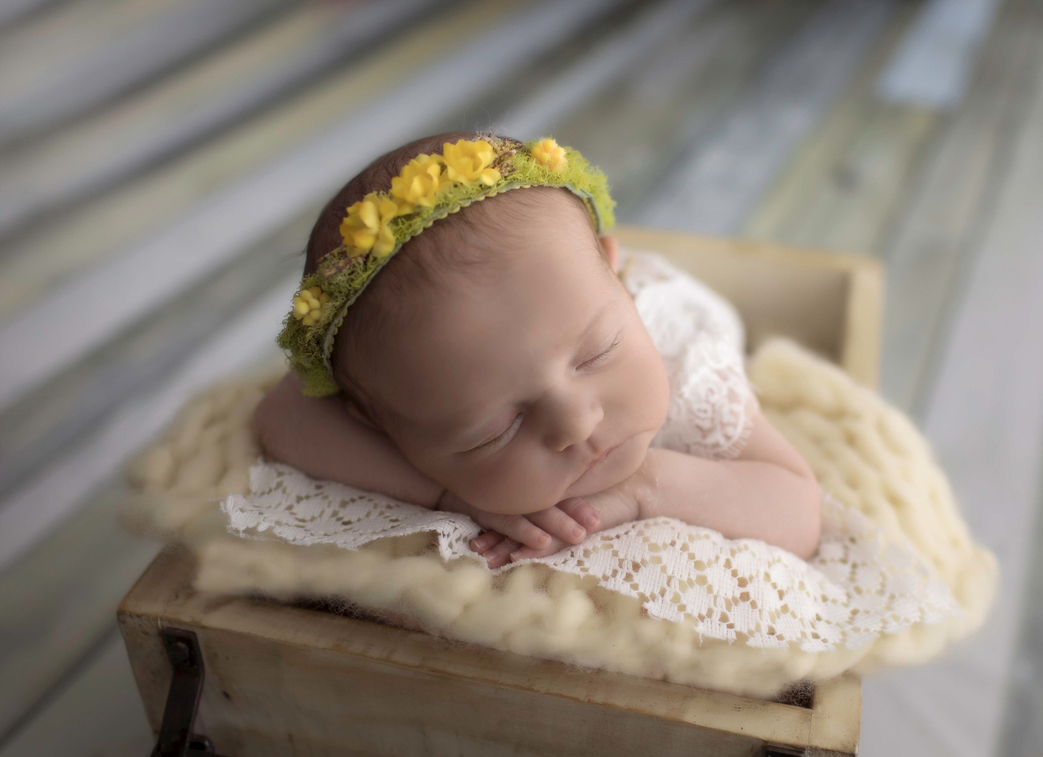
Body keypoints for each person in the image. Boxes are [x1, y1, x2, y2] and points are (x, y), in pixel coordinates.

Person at [254, 130, 822, 569]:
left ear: (613, 270)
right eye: (495, 430)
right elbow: (282, 415)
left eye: (597, 355)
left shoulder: (685, 364)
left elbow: (798, 507)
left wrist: (646, 487)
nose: (576, 422)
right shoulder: (407, 389)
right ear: (378, 421)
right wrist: (448, 495)